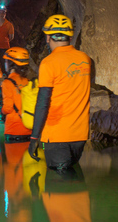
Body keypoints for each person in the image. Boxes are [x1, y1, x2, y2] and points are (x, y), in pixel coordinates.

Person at [28, 15, 91, 173]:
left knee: (60, 183)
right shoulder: (85, 60)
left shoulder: (49, 63)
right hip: (80, 135)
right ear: (70, 35)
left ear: (48, 37)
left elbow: (43, 103)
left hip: (57, 136)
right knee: (72, 183)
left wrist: (34, 138)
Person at [0, 47, 32, 143]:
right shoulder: (28, 82)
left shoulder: (7, 83)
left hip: (14, 130)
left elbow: (8, 108)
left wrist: (1, 111)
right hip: (29, 129)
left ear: (10, 64)